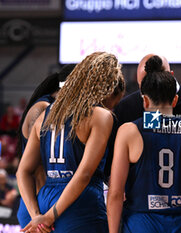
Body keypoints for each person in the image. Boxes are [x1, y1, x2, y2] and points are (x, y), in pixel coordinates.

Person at [16, 51, 125, 233]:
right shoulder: (101, 116)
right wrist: (50, 217)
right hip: (79, 203)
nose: (112, 106)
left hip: (45, 199)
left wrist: (38, 217)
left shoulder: (46, 115)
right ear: (107, 86)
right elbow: (83, 175)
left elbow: (23, 172)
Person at [107, 55, 181, 233]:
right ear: (175, 100)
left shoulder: (128, 131)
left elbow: (116, 194)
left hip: (140, 223)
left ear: (145, 101)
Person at [111, 54, 181, 182]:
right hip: (139, 198)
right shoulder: (126, 108)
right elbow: (112, 163)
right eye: (144, 86)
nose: (151, 89)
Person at [16, 64, 75, 228]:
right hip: (36, 203)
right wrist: (39, 214)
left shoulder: (58, 110)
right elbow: (38, 167)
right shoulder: (42, 108)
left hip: (45, 202)